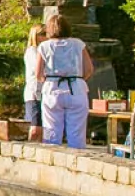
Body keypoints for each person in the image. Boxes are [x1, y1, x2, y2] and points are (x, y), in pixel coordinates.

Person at [33, 14, 93, 149]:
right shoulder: (78, 44)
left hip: (52, 88)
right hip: (75, 88)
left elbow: (38, 73)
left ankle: (52, 163)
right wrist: (78, 80)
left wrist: (47, 81)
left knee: (51, 133)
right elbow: (89, 69)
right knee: (77, 134)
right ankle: (77, 164)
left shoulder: (44, 46)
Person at [23, 24, 44, 142]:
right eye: (43, 34)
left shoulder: (45, 50)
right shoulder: (32, 51)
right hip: (34, 93)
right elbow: (38, 70)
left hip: (44, 94)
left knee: (42, 128)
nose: (47, 37)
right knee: (34, 127)